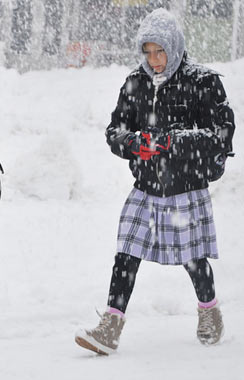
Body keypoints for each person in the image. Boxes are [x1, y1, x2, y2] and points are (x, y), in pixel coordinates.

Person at [75, 8, 235, 355]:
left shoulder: (203, 81)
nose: (154, 59)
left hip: (186, 186)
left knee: (193, 259)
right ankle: (111, 326)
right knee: (126, 254)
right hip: (146, 187)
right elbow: (115, 130)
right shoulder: (135, 82)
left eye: (160, 51)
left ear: (175, 47)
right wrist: (131, 143)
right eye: (147, 52)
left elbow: (221, 135)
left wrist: (173, 141)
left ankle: (210, 312)